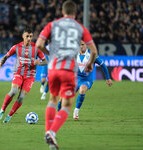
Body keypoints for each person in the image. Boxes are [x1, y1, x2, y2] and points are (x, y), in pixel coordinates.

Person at [36, 0, 98, 149]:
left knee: (52, 99)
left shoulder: (52, 25)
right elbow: (94, 51)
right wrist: (89, 64)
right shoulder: (80, 27)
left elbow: (38, 45)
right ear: (75, 13)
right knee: (67, 104)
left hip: (54, 68)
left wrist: (50, 54)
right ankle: (52, 132)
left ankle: (48, 133)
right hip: (69, 70)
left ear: (62, 11)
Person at [0, 28, 47, 123]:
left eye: (31, 36)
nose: (29, 38)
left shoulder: (36, 49)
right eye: (27, 36)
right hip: (18, 73)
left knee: (21, 97)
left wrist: (38, 63)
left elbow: (45, 61)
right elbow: (5, 57)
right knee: (14, 91)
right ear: (23, 36)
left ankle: (9, 116)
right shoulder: (17, 47)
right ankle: (2, 110)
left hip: (30, 76)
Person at [57, 40, 113, 119]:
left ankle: (76, 111)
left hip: (86, 80)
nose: (80, 46)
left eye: (82, 44)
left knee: (82, 90)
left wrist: (108, 78)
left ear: (86, 45)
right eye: (79, 45)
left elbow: (103, 65)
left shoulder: (92, 55)